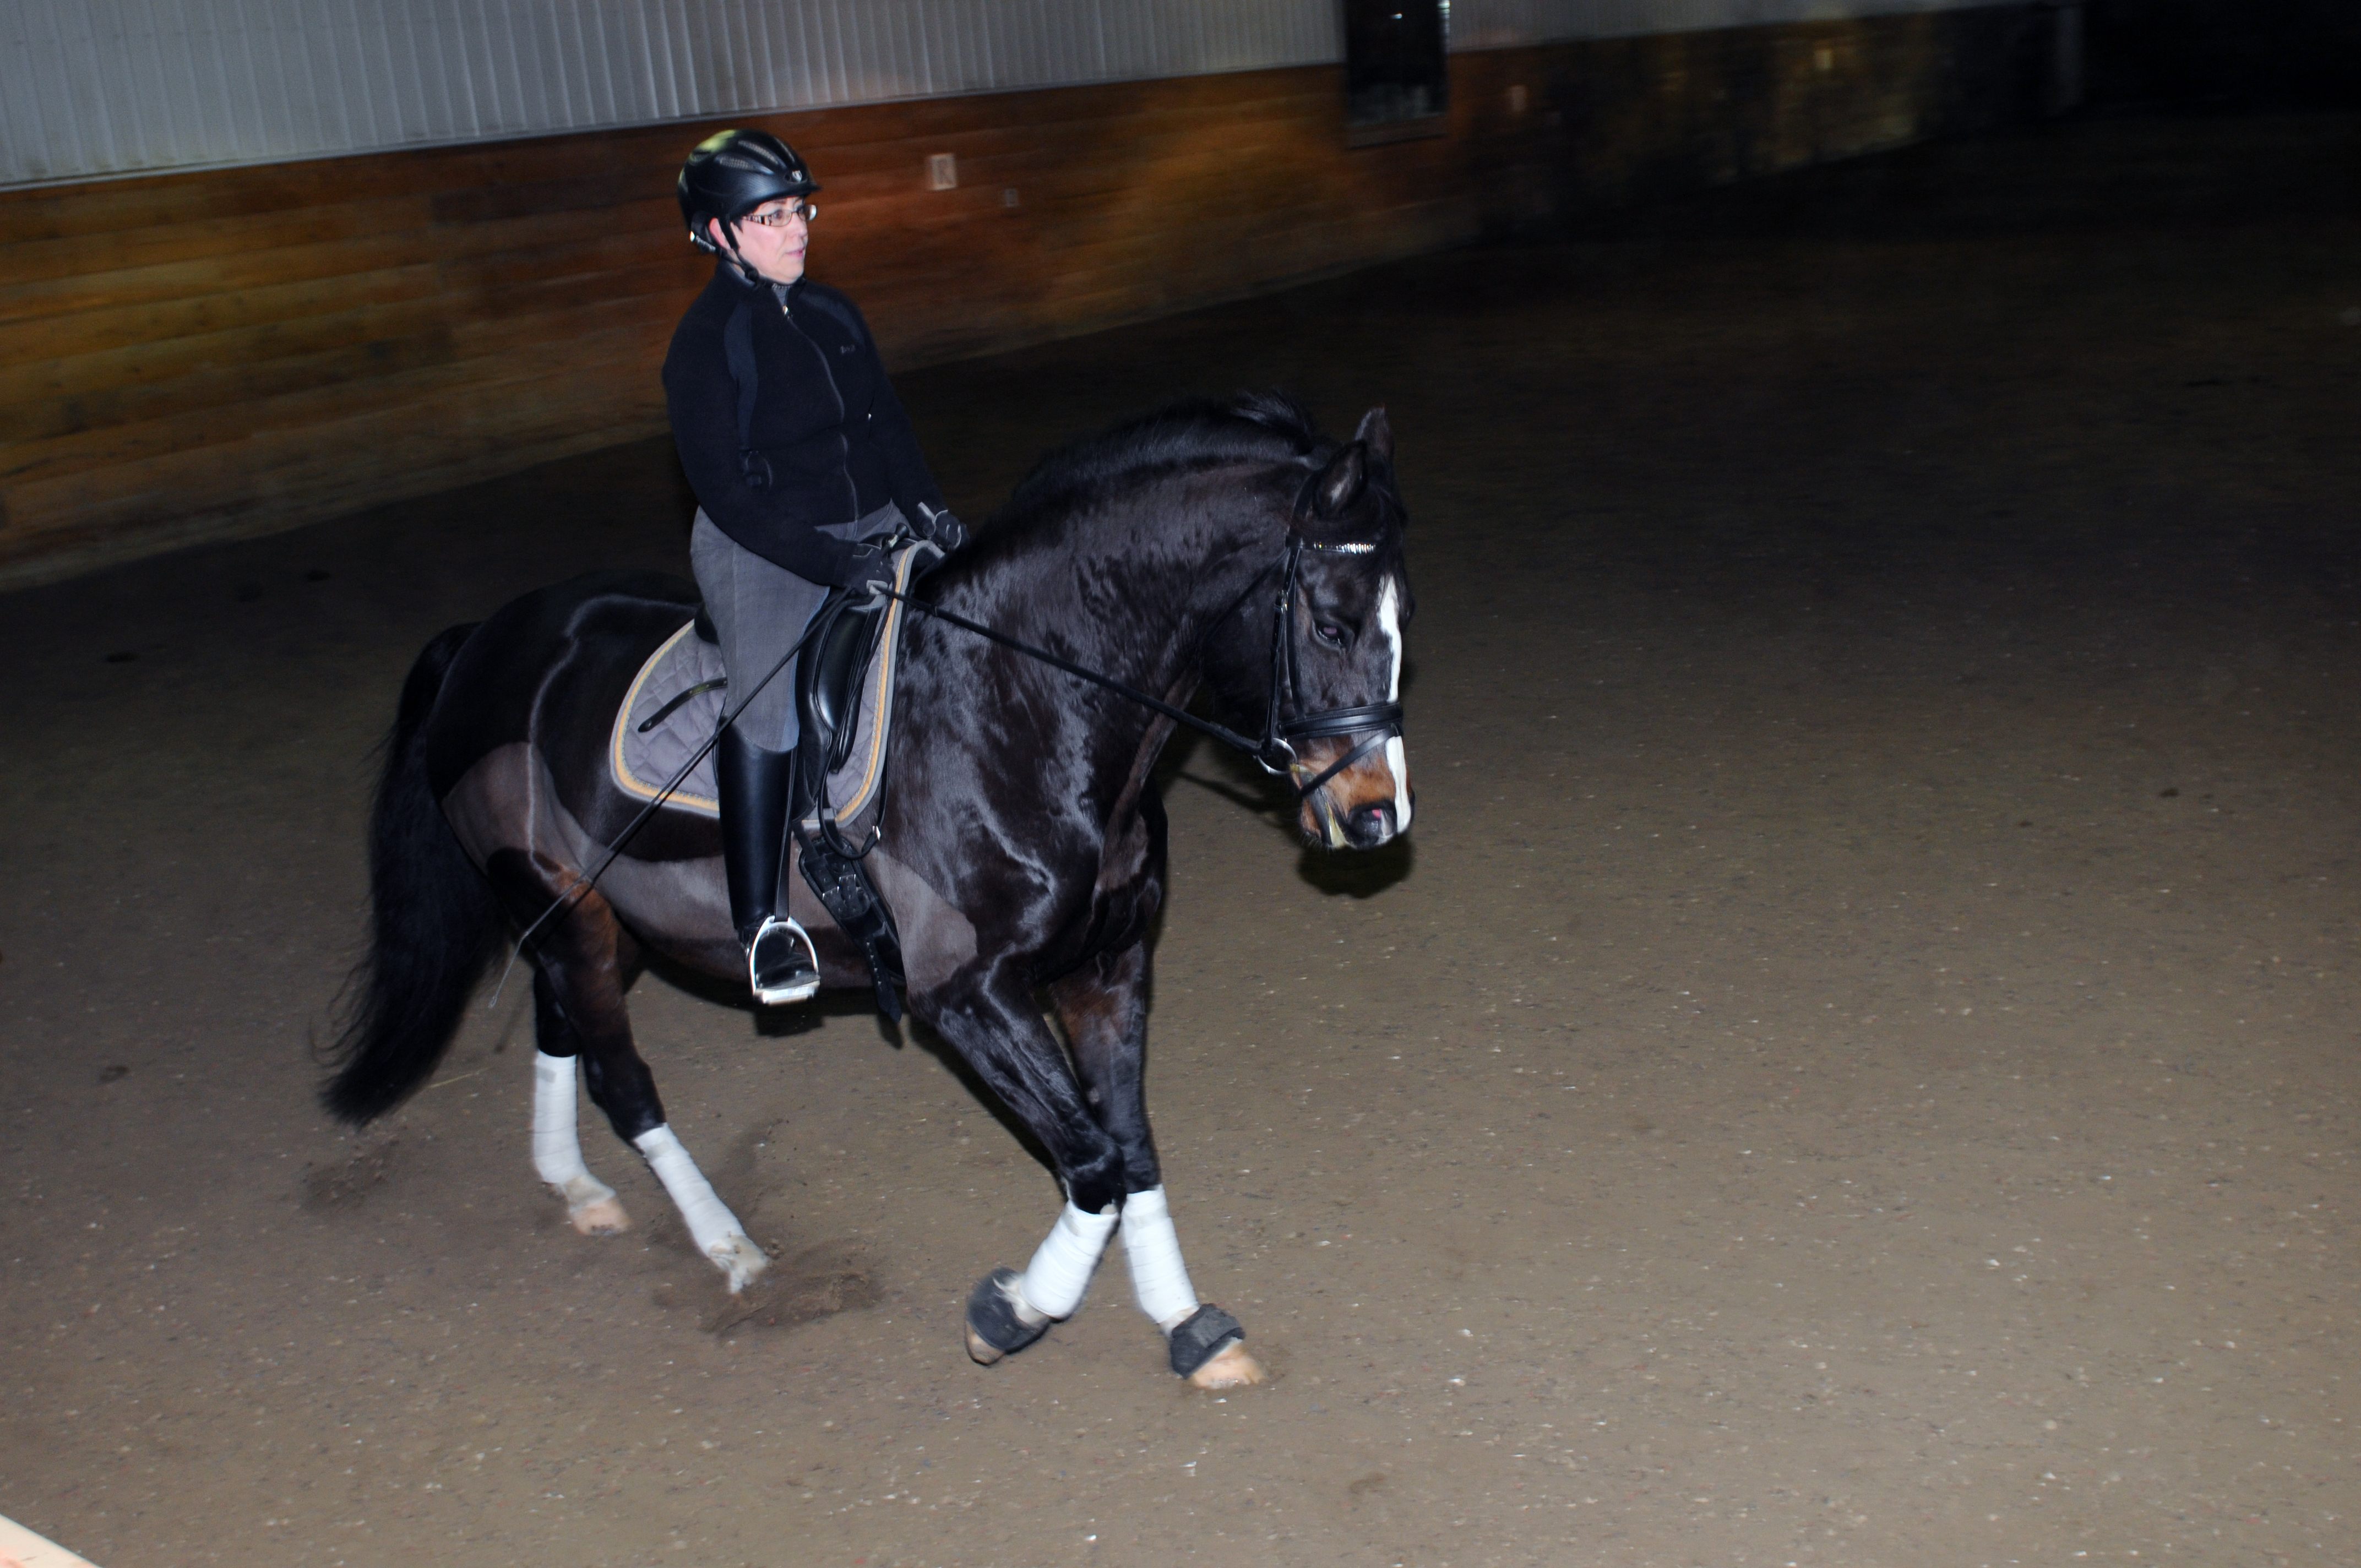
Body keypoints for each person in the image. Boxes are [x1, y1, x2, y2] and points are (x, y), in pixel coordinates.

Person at [665, 129, 965, 1005]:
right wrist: (834, 563)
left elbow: (888, 426)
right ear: (719, 234)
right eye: (771, 217)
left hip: (870, 517)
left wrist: (931, 513)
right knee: (767, 704)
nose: (797, 230)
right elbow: (726, 493)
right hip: (765, 540)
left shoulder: (834, 312)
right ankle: (762, 920)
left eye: (800, 210)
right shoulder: (704, 344)